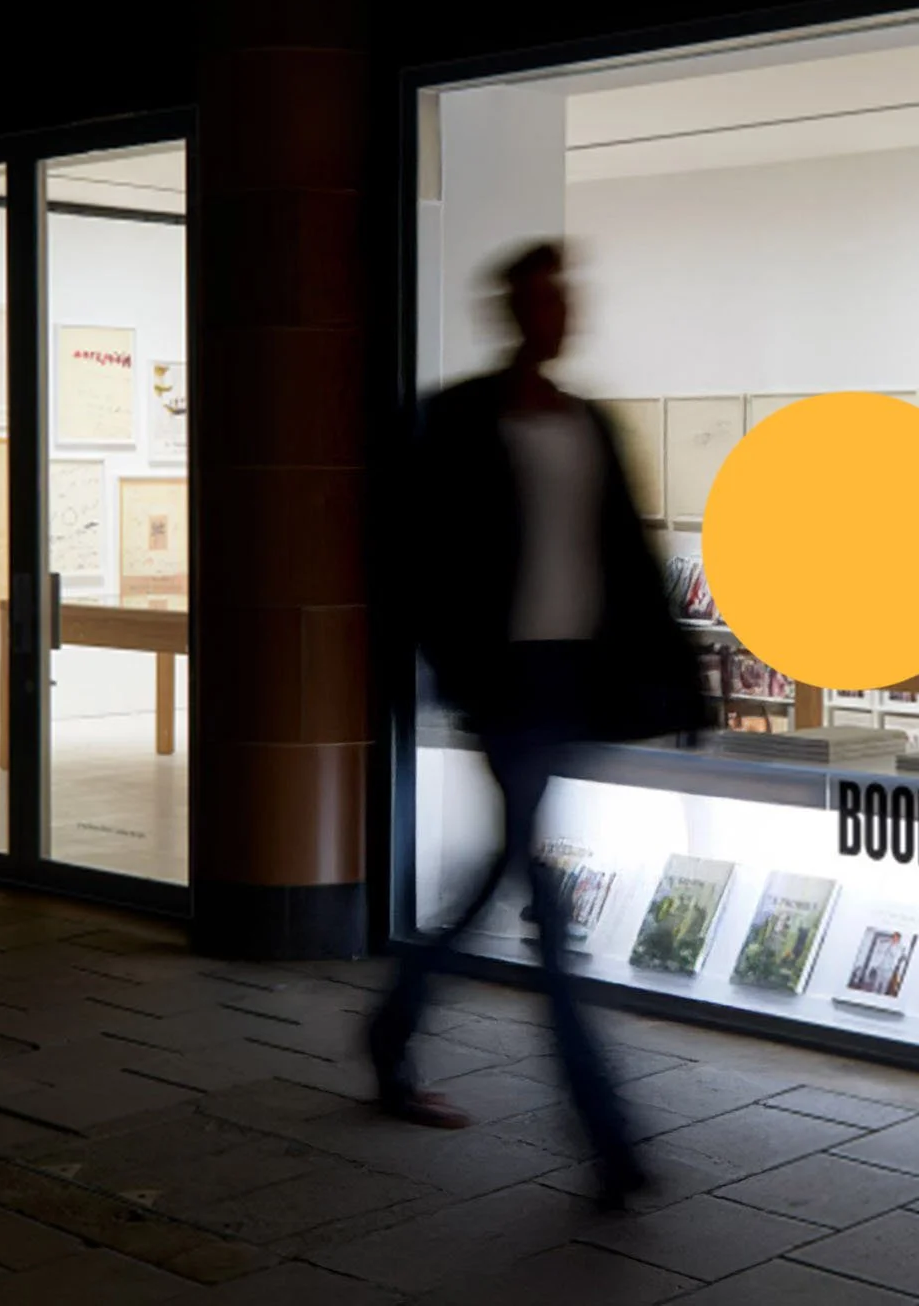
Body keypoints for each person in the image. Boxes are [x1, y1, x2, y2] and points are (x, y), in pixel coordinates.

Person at [366, 237, 710, 1208]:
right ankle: (609, 1138)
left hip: (573, 680)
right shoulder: (454, 419)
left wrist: (683, 677)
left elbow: (629, 556)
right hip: (506, 684)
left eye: (567, 298)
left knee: (500, 877)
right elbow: (409, 554)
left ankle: (391, 1030)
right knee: (546, 910)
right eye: (545, 299)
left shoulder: (589, 421)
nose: (562, 315)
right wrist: (439, 666)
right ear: (515, 312)